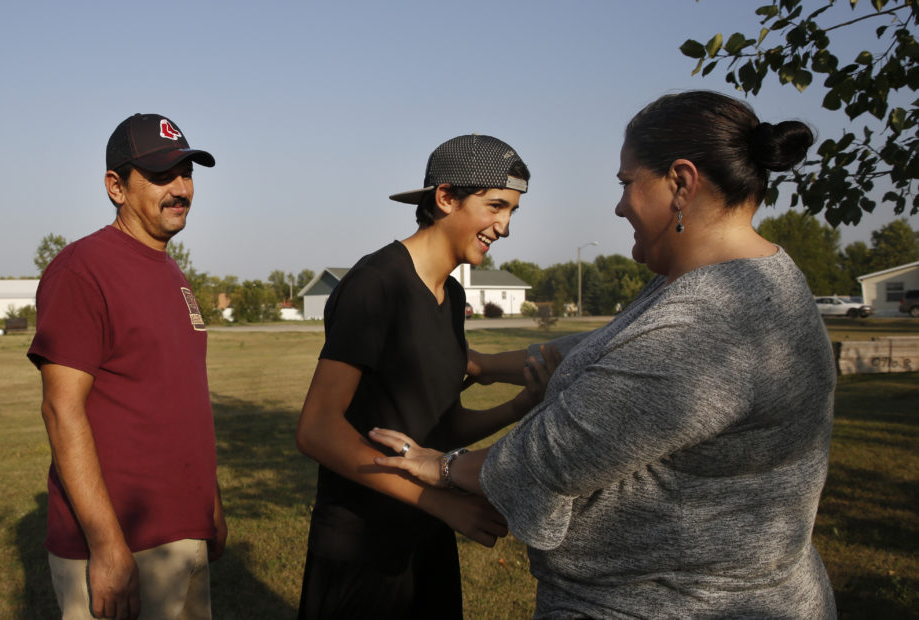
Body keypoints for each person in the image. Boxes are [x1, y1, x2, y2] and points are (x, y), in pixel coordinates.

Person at [371, 90, 838, 618]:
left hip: (671, 603)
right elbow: (605, 348)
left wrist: (440, 467)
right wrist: (482, 366)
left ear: (681, 182)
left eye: (626, 183)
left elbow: (549, 459)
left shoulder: (713, 321)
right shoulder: (731, 282)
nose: (619, 205)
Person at [295, 134, 547, 619]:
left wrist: (521, 405)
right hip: (361, 545)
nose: (506, 226)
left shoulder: (450, 298)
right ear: (446, 198)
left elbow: (441, 431)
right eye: (496, 206)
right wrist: (440, 503)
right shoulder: (377, 283)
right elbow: (317, 429)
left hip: (425, 537)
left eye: (512, 211)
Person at [28, 113, 226, 620]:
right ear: (116, 186)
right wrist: (107, 547)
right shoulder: (82, 270)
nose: (181, 188)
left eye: (187, 172)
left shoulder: (171, 270)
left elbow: (180, 398)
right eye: (162, 175)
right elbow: (61, 410)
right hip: (124, 544)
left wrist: (210, 504)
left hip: (181, 533)